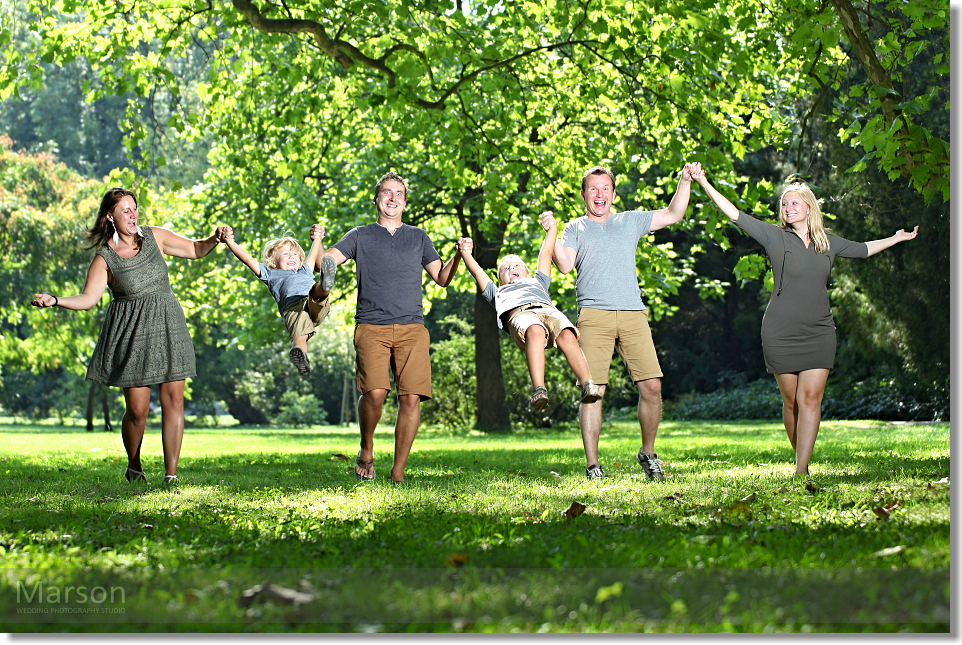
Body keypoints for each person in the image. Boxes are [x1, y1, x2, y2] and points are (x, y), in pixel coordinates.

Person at [691, 166, 918, 475]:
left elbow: (864, 250)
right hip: (780, 332)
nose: (788, 208)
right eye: (785, 204)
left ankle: (801, 469)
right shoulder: (774, 237)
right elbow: (735, 215)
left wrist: (895, 238)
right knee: (792, 403)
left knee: (809, 398)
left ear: (810, 207)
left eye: (794, 203)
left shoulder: (829, 242)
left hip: (819, 331)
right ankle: (802, 461)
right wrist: (703, 181)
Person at [30, 187, 226, 484]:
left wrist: (215, 238)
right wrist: (56, 300)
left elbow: (195, 249)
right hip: (132, 335)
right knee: (137, 412)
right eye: (125, 210)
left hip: (168, 325)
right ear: (111, 217)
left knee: (174, 399)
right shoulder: (105, 258)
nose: (133, 214)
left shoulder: (155, 236)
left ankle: (171, 475)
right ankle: (134, 465)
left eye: (134, 208)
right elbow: (87, 299)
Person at [551, 163, 697, 481]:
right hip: (594, 316)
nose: (599, 194)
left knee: (652, 386)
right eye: (593, 189)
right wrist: (550, 232)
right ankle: (593, 466)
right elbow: (564, 265)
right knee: (593, 391)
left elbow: (673, 214)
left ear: (614, 194)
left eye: (605, 188)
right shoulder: (575, 227)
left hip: (633, 313)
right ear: (583, 194)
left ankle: (648, 453)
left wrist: (684, 180)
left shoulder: (630, 221)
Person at [324, 171, 466, 483]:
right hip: (371, 326)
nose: (392, 198)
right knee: (375, 393)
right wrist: (315, 255)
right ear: (376, 199)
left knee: (411, 397)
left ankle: (398, 472)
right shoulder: (360, 235)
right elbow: (329, 260)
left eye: (398, 193)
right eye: (386, 193)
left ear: (404, 201)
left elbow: (441, 278)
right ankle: (367, 446)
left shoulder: (418, 237)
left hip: (412, 327)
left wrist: (457, 255)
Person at [459, 211, 603, 412]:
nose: (512, 268)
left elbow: (545, 253)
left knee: (567, 334)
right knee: (535, 330)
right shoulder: (498, 292)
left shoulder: (538, 282)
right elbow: (477, 272)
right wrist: (465, 253)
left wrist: (552, 228)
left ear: (527, 272)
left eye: (518, 265)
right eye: (506, 269)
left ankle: (587, 383)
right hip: (521, 315)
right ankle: (539, 389)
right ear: (501, 280)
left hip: (547, 310)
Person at [221, 224, 336, 377]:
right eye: (286, 254)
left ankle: (326, 282)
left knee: (317, 292)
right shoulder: (271, 274)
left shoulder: (304, 270)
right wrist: (229, 242)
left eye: (295, 254)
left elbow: (313, 255)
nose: (292, 256)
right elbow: (248, 259)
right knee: (300, 336)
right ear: (273, 262)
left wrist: (317, 239)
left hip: (312, 302)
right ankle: (302, 359)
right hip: (293, 308)